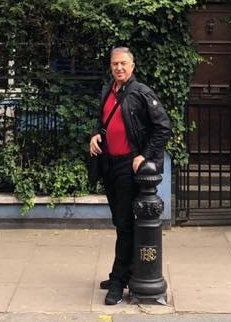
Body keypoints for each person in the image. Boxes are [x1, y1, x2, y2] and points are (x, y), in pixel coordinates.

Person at [88, 45, 171, 306]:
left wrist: (143, 155)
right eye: (115, 64)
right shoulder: (107, 91)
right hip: (109, 164)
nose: (119, 67)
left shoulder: (141, 92)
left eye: (123, 63)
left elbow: (163, 127)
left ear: (132, 66)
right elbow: (102, 121)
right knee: (120, 221)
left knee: (125, 224)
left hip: (128, 166)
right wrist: (95, 135)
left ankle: (117, 281)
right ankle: (128, 271)